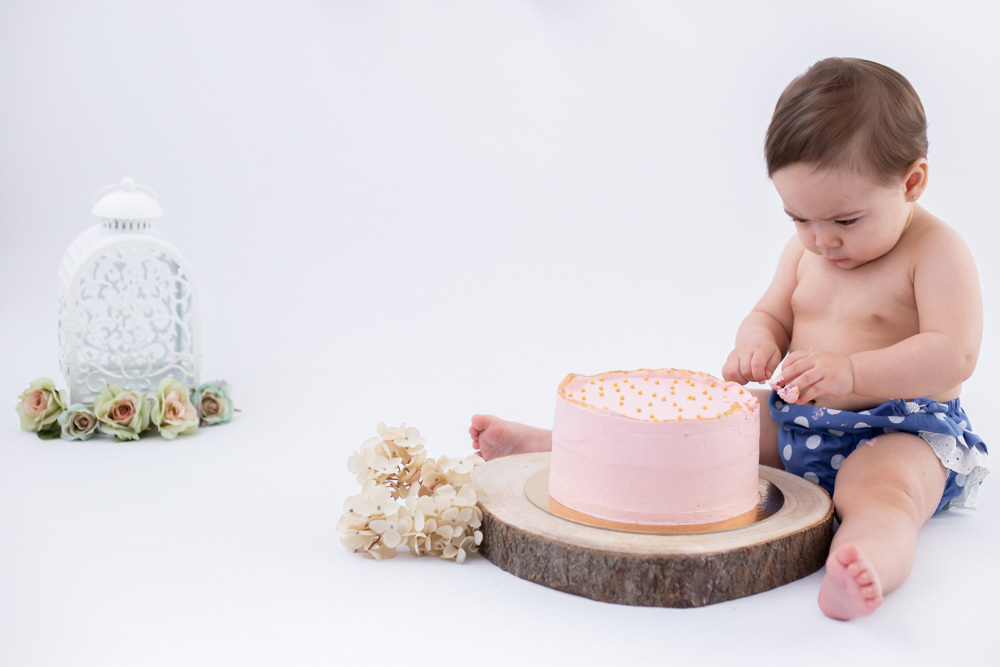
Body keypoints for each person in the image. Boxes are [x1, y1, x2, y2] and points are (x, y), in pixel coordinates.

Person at [470, 58, 990, 620]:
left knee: (881, 495)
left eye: (844, 221)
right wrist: (757, 342)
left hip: (899, 431)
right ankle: (561, 447)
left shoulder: (935, 252)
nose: (821, 241)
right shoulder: (807, 252)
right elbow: (771, 314)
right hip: (799, 419)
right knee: (701, 431)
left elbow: (954, 354)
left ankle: (866, 559)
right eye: (799, 219)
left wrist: (853, 372)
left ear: (911, 182)